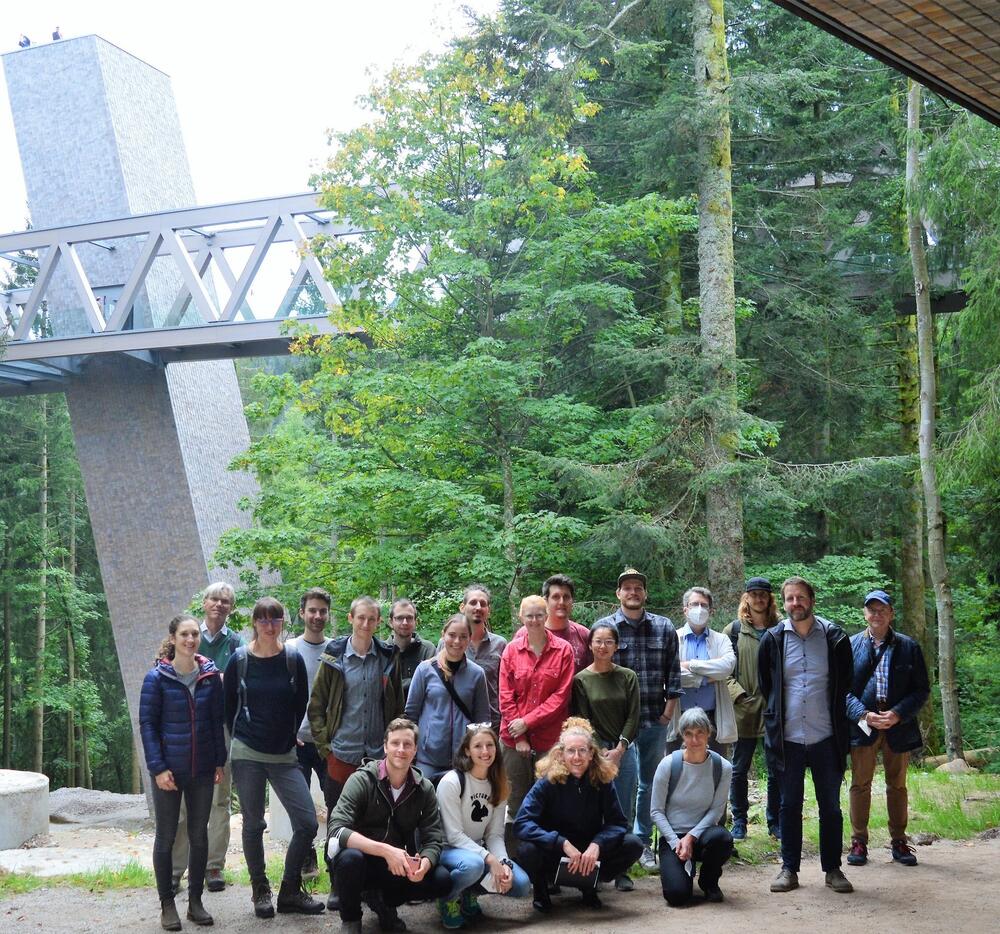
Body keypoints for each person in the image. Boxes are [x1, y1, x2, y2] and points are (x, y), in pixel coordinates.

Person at [225, 597, 324, 917]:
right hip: (247, 752)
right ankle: (260, 890)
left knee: (307, 823)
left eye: (275, 620)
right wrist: (242, 737)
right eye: (264, 620)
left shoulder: (292, 659)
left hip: (284, 753)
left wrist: (288, 734)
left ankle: (290, 890)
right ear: (254, 622)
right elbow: (228, 709)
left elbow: (300, 704)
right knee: (253, 823)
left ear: (283, 623)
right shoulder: (239, 659)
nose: (269, 626)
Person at [758, 576, 854, 895]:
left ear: (812, 599)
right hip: (788, 740)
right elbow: (767, 687)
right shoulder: (772, 639)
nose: (795, 603)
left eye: (801, 597)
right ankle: (789, 869)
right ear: (783, 603)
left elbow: (845, 684)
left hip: (826, 737)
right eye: (789, 599)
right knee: (788, 806)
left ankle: (833, 870)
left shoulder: (833, 636)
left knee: (831, 806)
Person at [308, 595, 403, 910]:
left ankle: (372, 888)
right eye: (360, 618)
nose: (365, 624)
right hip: (342, 755)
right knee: (338, 824)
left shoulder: (387, 656)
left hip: (378, 757)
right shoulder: (334, 655)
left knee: (376, 824)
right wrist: (326, 747)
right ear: (350, 618)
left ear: (378, 622)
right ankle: (338, 883)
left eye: (372, 619)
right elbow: (316, 706)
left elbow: (398, 707)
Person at [140, 614, 226, 931]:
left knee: (199, 835)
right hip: (169, 773)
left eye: (194, 634)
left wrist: (219, 761)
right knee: (165, 837)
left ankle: (195, 902)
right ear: (173, 638)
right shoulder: (156, 678)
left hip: (202, 769)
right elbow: (147, 726)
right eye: (184, 634)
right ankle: (167, 904)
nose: (190, 640)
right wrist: (158, 768)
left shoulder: (209, 677)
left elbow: (217, 722)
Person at [326, 718, 451, 934]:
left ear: (415, 750)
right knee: (349, 860)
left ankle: (384, 903)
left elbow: (433, 838)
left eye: (407, 744)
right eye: (395, 743)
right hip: (362, 859)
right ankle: (351, 919)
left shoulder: (424, 788)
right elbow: (336, 829)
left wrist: (425, 863)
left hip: (395, 864)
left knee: (442, 879)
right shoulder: (362, 780)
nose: (401, 750)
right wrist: (385, 851)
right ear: (385, 746)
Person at [594, 567, 682, 871]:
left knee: (651, 783)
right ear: (618, 594)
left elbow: (674, 671)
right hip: (618, 725)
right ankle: (619, 842)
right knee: (622, 784)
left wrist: (669, 711)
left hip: (655, 719)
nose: (633, 592)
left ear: (645, 593)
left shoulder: (664, 627)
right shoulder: (605, 628)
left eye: (638, 588)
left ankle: (643, 842)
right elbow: (597, 673)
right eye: (627, 588)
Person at [514, 717, 644, 912]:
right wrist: (560, 842)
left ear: (591, 753)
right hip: (555, 850)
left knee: (632, 844)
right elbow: (522, 823)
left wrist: (597, 844)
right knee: (527, 850)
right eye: (571, 751)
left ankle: (588, 884)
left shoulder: (602, 780)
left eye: (582, 750)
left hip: (588, 851)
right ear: (560, 754)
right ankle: (542, 889)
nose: (577, 757)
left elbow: (618, 823)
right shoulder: (546, 782)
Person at [845, 590, 930, 867]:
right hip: (863, 726)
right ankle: (859, 841)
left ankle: (899, 841)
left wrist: (897, 714)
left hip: (898, 725)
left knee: (897, 785)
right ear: (864, 613)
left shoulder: (908, 646)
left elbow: (921, 690)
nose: (877, 614)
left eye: (882, 609)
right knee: (860, 784)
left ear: (891, 613)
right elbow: (841, 691)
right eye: (872, 609)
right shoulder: (850, 645)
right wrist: (863, 715)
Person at [172, 582, 240, 894]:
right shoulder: (188, 636)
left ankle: (214, 866)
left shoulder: (236, 643)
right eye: (214, 599)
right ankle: (176, 870)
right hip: (185, 728)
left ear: (231, 608)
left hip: (222, 728)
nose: (219, 605)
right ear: (204, 603)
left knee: (219, 799)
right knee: (183, 802)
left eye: (225, 601)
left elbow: (236, 687)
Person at [436, 724, 531, 928]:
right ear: (467, 750)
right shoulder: (452, 782)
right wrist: (489, 858)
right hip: (447, 850)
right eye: (478, 746)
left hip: (477, 850)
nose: (485, 751)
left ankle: (469, 892)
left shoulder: (498, 783)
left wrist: (504, 862)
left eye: (490, 745)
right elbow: (453, 835)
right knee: (474, 865)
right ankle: (447, 899)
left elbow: (495, 835)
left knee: (521, 884)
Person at [571, 622, 640, 892]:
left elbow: (634, 715)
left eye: (608, 642)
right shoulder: (581, 680)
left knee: (623, 809)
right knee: (594, 812)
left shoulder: (627, 676)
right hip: (592, 753)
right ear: (590, 645)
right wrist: (599, 752)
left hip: (624, 751)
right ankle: (592, 868)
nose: (602, 646)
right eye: (597, 641)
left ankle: (621, 869)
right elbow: (581, 719)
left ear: (616, 645)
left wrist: (620, 748)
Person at [499, 595, 575, 822]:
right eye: (529, 615)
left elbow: (560, 697)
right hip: (513, 740)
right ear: (521, 617)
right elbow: (505, 695)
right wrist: (520, 734)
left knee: (551, 801)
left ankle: (548, 854)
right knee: (515, 803)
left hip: (549, 740)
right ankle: (515, 855)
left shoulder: (563, 650)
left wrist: (527, 722)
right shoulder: (511, 650)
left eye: (539, 615)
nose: (534, 620)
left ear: (547, 616)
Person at [651, 707, 735, 906]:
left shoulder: (722, 767)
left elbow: (716, 811)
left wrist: (691, 837)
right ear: (682, 735)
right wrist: (676, 842)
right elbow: (656, 811)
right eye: (689, 734)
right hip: (673, 837)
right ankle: (683, 873)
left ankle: (709, 882)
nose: (694, 740)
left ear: (709, 734)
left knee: (723, 838)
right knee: (677, 896)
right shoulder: (668, 764)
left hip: (703, 835)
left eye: (699, 734)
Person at [723, 577, 782, 840]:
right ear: (746, 598)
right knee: (739, 769)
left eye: (763, 595)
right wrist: (739, 695)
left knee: (775, 768)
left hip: (774, 710)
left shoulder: (781, 628)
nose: (759, 599)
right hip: (744, 711)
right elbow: (723, 671)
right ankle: (740, 821)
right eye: (754, 594)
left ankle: (775, 822)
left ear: (770, 599)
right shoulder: (733, 631)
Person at [404, 614, 491, 783]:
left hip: (464, 759)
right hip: (427, 758)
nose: (457, 641)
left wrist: (479, 753)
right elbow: (411, 715)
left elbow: (483, 720)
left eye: (463, 636)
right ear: (443, 634)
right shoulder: (425, 670)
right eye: (452, 635)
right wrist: (411, 750)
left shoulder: (477, 674)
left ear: (470, 638)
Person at [285, 587, 333, 878]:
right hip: (297, 741)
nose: (317, 616)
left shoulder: (337, 649)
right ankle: (307, 860)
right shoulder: (289, 649)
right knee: (300, 808)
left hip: (328, 742)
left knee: (336, 802)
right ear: (302, 612)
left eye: (322, 611)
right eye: (312, 610)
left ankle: (335, 859)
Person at [665, 587, 736, 756]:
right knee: (677, 770)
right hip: (679, 717)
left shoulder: (721, 639)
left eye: (704, 605)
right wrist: (705, 679)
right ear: (685, 609)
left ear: (711, 611)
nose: (699, 609)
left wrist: (690, 664)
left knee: (715, 769)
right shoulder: (672, 638)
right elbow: (669, 674)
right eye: (694, 604)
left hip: (713, 718)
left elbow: (726, 667)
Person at [455, 585, 507, 731]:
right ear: (462, 607)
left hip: (491, 723)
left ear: (488, 611)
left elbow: (507, 687)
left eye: (483, 604)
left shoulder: (500, 644)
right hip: (457, 722)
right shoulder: (448, 644)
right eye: (473, 602)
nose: (478, 607)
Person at [542, 574, 592, 672]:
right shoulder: (527, 634)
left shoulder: (584, 635)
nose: (561, 602)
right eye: (556, 597)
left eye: (566, 597)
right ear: (545, 601)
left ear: (572, 600)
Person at [388, 598, 435, 700]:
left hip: (421, 714)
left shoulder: (428, 650)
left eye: (409, 618)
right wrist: (416, 681)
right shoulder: (382, 651)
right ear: (391, 622)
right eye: (399, 618)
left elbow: (432, 686)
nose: (405, 622)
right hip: (389, 715)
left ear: (416, 621)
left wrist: (396, 685)